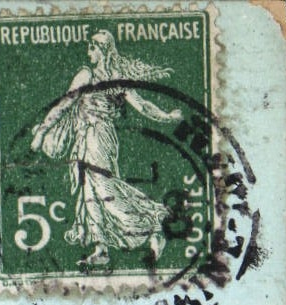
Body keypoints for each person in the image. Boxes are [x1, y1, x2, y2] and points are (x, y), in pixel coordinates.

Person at [30, 30, 182, 268]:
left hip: (95, 138)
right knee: (89, 191)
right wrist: (166, 116)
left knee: (103, 189)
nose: (88, 52)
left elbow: (63, 105)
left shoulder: (87, 75)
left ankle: (152, 226)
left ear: (101, 50)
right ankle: (101, 248)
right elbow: (142, 105)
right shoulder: (115, 79)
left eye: (92, 48)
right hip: (93, 138)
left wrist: (41, 132)